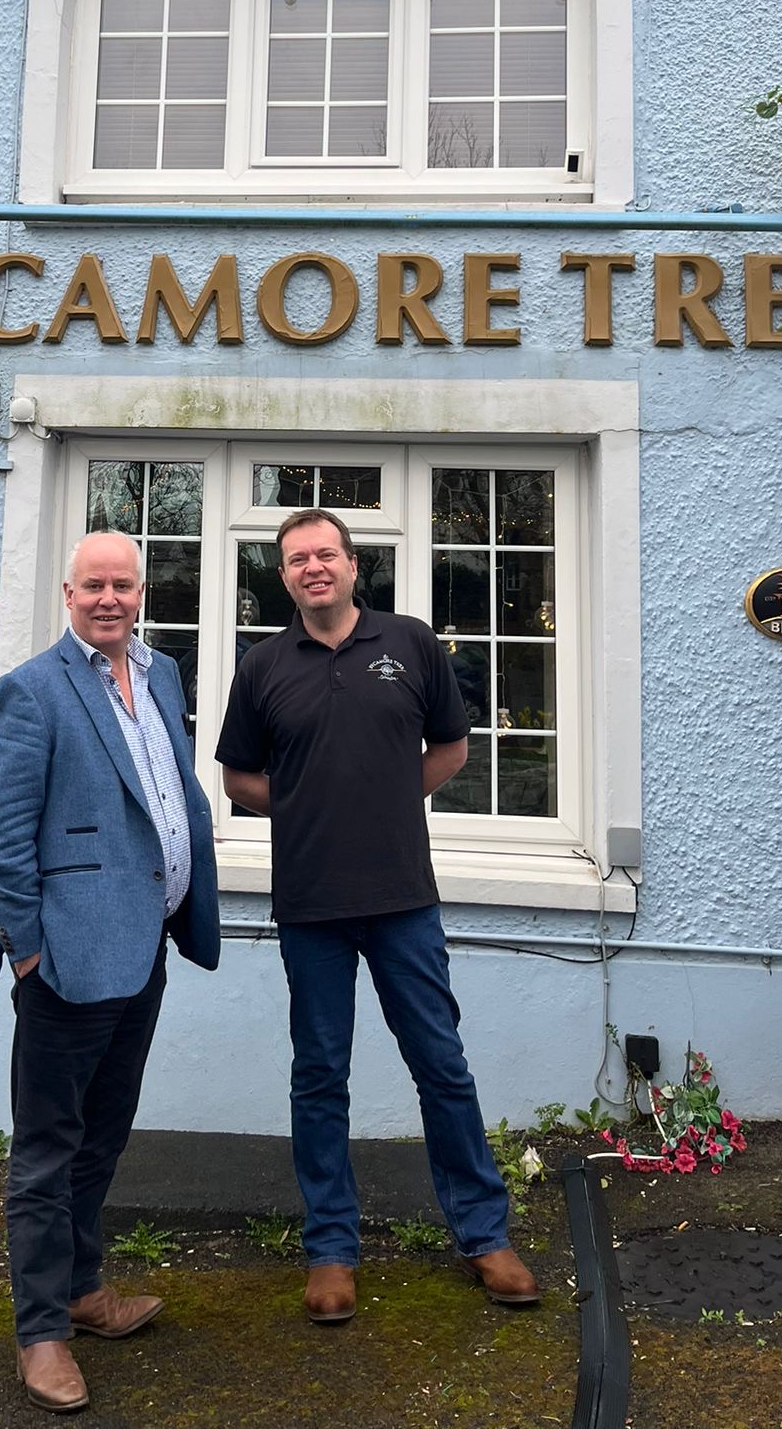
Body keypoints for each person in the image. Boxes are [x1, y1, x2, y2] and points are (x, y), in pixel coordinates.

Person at [215, 508, 539, 1324]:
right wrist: (310, 806)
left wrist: (383, 803)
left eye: (326, 554)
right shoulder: (262, 666)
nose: (312, 568)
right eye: (296, 559)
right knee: (320, 1076)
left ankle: (484, 1235)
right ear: (282, 576)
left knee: (441, 1064)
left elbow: (453, 750)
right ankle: (330, 1248)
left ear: (355, 565)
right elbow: (237, 780)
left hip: (403, 901)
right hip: (312, 905)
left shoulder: (412, 644)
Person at [0, 530, 222, 1412]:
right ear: (68, 594)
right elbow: (1, 842)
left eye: (123, 585)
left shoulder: (160, 676)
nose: (109, 599)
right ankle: (40, 1333)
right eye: (93, 586)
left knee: (105, 1135)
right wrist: (31, 950)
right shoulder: (32, 693)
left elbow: (168, 795)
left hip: (143, 949)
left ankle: (83, 1292)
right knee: (46, 1151)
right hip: (67, 965)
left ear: (141, 592)